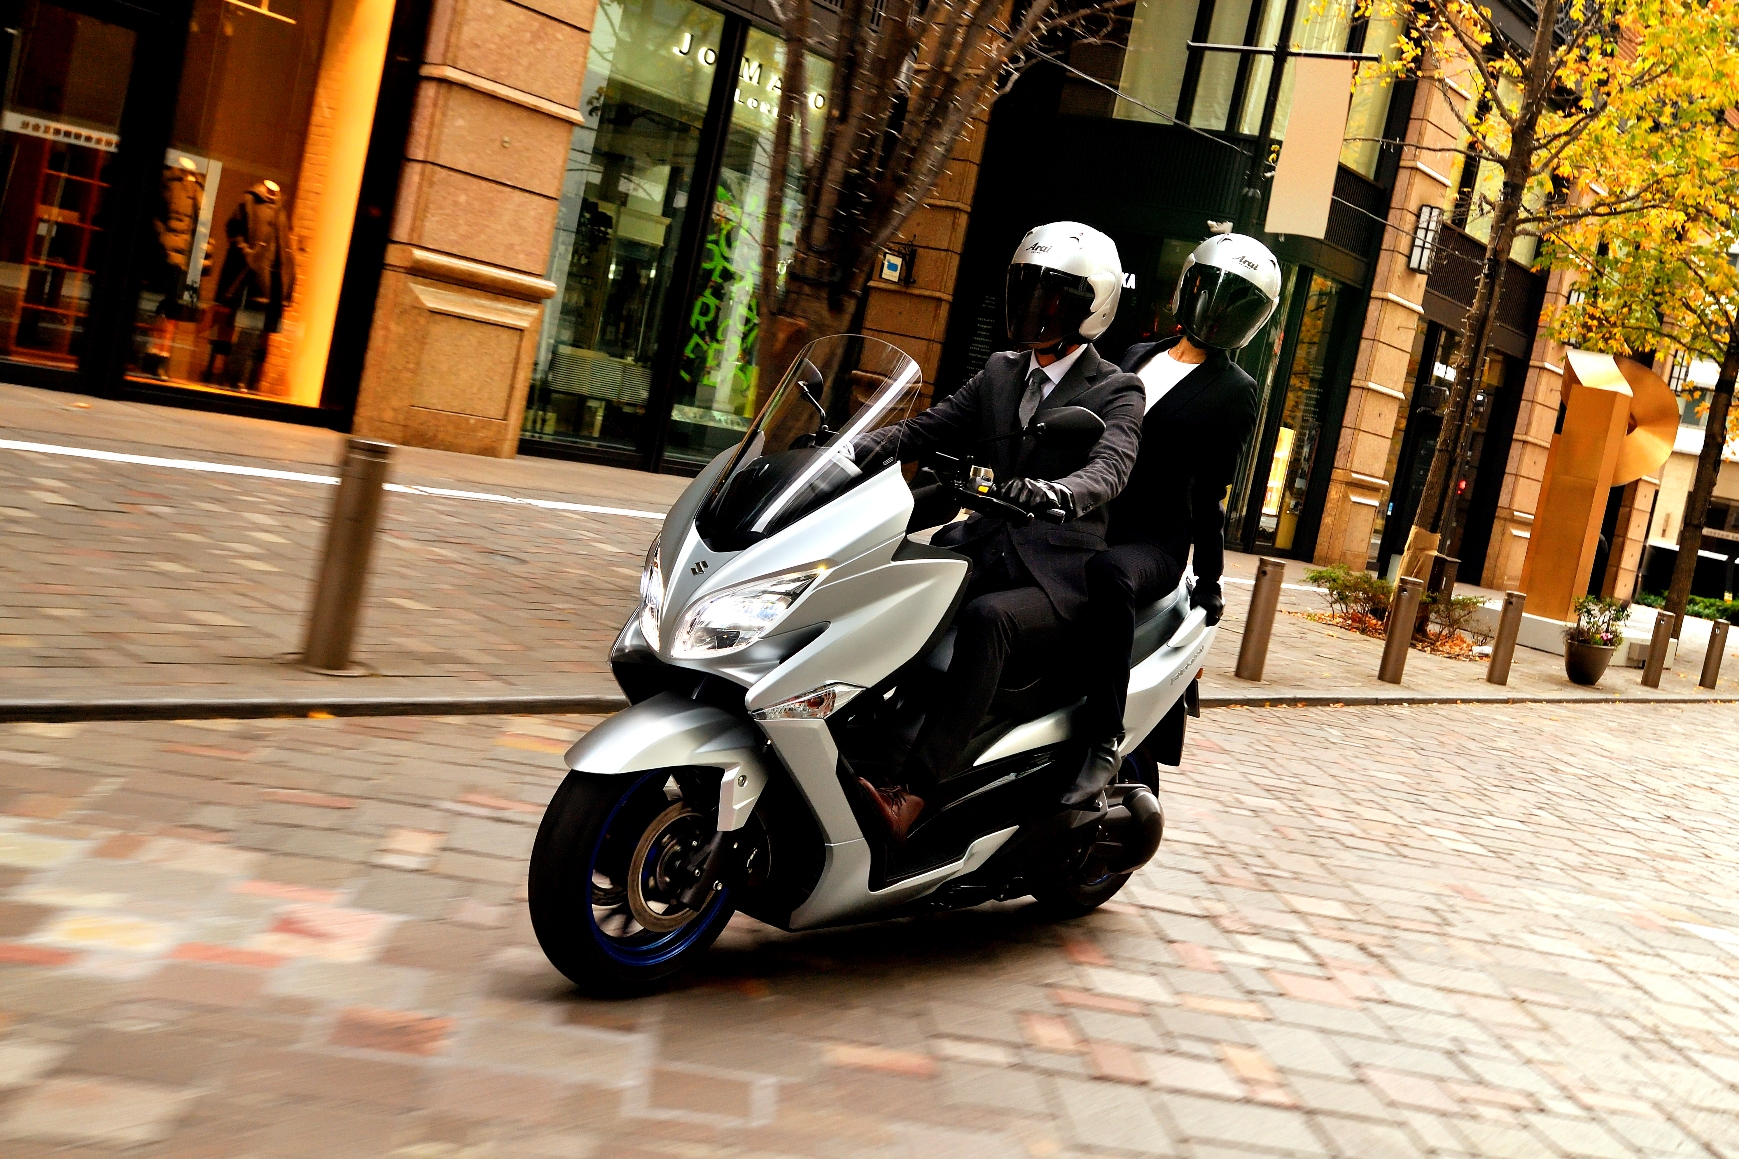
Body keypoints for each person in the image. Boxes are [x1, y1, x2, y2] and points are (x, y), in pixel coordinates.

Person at [851, 222, 1145, 840]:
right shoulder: (1000, 371)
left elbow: (1111, 468)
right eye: (1027, 291)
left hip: (1058, 572)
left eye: (1054, 297)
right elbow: (925, 428)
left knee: (989, 620)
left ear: (1093, 307)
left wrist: (1057, 493)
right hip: (981, 547)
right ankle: (855, 745)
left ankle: (914, 795)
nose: (1037, 308)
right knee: (889, 583)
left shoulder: (1117, 388)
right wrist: (846, 451)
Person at [1062, 231, 1281, 808]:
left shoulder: (1235, 390)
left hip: (1151, 543)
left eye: (1238, 305)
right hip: (1091, 518)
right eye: (1213, 292)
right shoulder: (1136, 354)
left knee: (1109, 575)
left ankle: (1103, 740)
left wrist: (1210, 578)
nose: (1218, 311)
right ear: (1191, 287)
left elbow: (1211, 494)